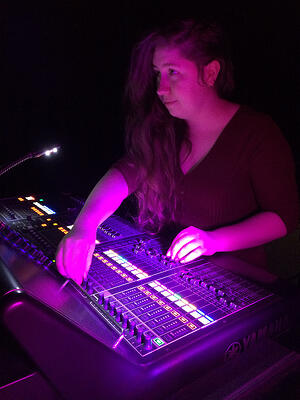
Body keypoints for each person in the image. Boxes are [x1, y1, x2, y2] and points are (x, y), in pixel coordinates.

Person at [56, 19, 299, 285]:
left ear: (209, 73)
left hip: (237, 282)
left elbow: (282, 217)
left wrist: (213, 241)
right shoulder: (166, 129)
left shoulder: (257, 132)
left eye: (173, 72)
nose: (160, 88)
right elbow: (123, 174)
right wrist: (84, 227)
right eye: (157, 73)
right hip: (175, 273)